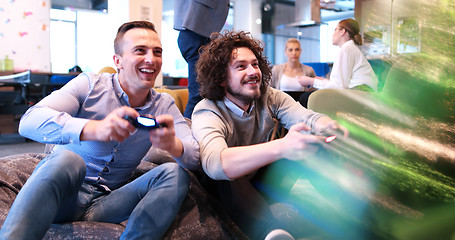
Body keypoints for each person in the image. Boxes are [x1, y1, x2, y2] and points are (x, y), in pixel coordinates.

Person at [0, 21, 200, 240]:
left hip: (110, 201)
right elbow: (29, 121)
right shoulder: (89, 85)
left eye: (157, 52)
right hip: (66, 196)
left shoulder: (164, 105)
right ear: (118, 61)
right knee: (68, 158)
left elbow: (195, 156)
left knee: (175, 174)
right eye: (140, 51)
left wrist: (173, 145)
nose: (151, 59)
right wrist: (94, 128)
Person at [191, 30, 348, 240]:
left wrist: (327, 125)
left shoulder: (269, 96)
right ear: (221, 78)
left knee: (313, 142)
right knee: (229, 170)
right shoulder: (207, 110)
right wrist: (282, 146)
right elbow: (215, 163)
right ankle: (271, 232)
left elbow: (305, 117)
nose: (253, 72)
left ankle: (347, 213)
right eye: (241, 66)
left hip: (258, 180)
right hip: (224, 191)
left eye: (255, 64)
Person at [298, 18, 378, 107]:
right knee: (307, 97)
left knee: (305, 98)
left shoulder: (346, 49)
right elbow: (341, 84)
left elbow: (339, 87)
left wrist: (311, 81)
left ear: (342, 32)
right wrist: (323, 81)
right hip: (363, 94)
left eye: (335, 29)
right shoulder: (350, 48)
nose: (333, 34)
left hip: (360, 95)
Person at [174, 0, 230, 119]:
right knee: (199, 94)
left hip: (197, 33)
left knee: (207, 94)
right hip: (195, 34)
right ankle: (185, 134)